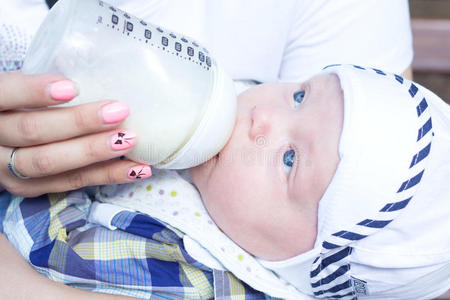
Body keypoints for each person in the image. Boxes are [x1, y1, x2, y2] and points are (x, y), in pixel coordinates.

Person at [0, 0, 419, 299]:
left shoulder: (194, 274)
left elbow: (45, 254)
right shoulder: (202, 187)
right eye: (299, 97)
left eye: (289, 159)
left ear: (296, 263)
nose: (264, 116)